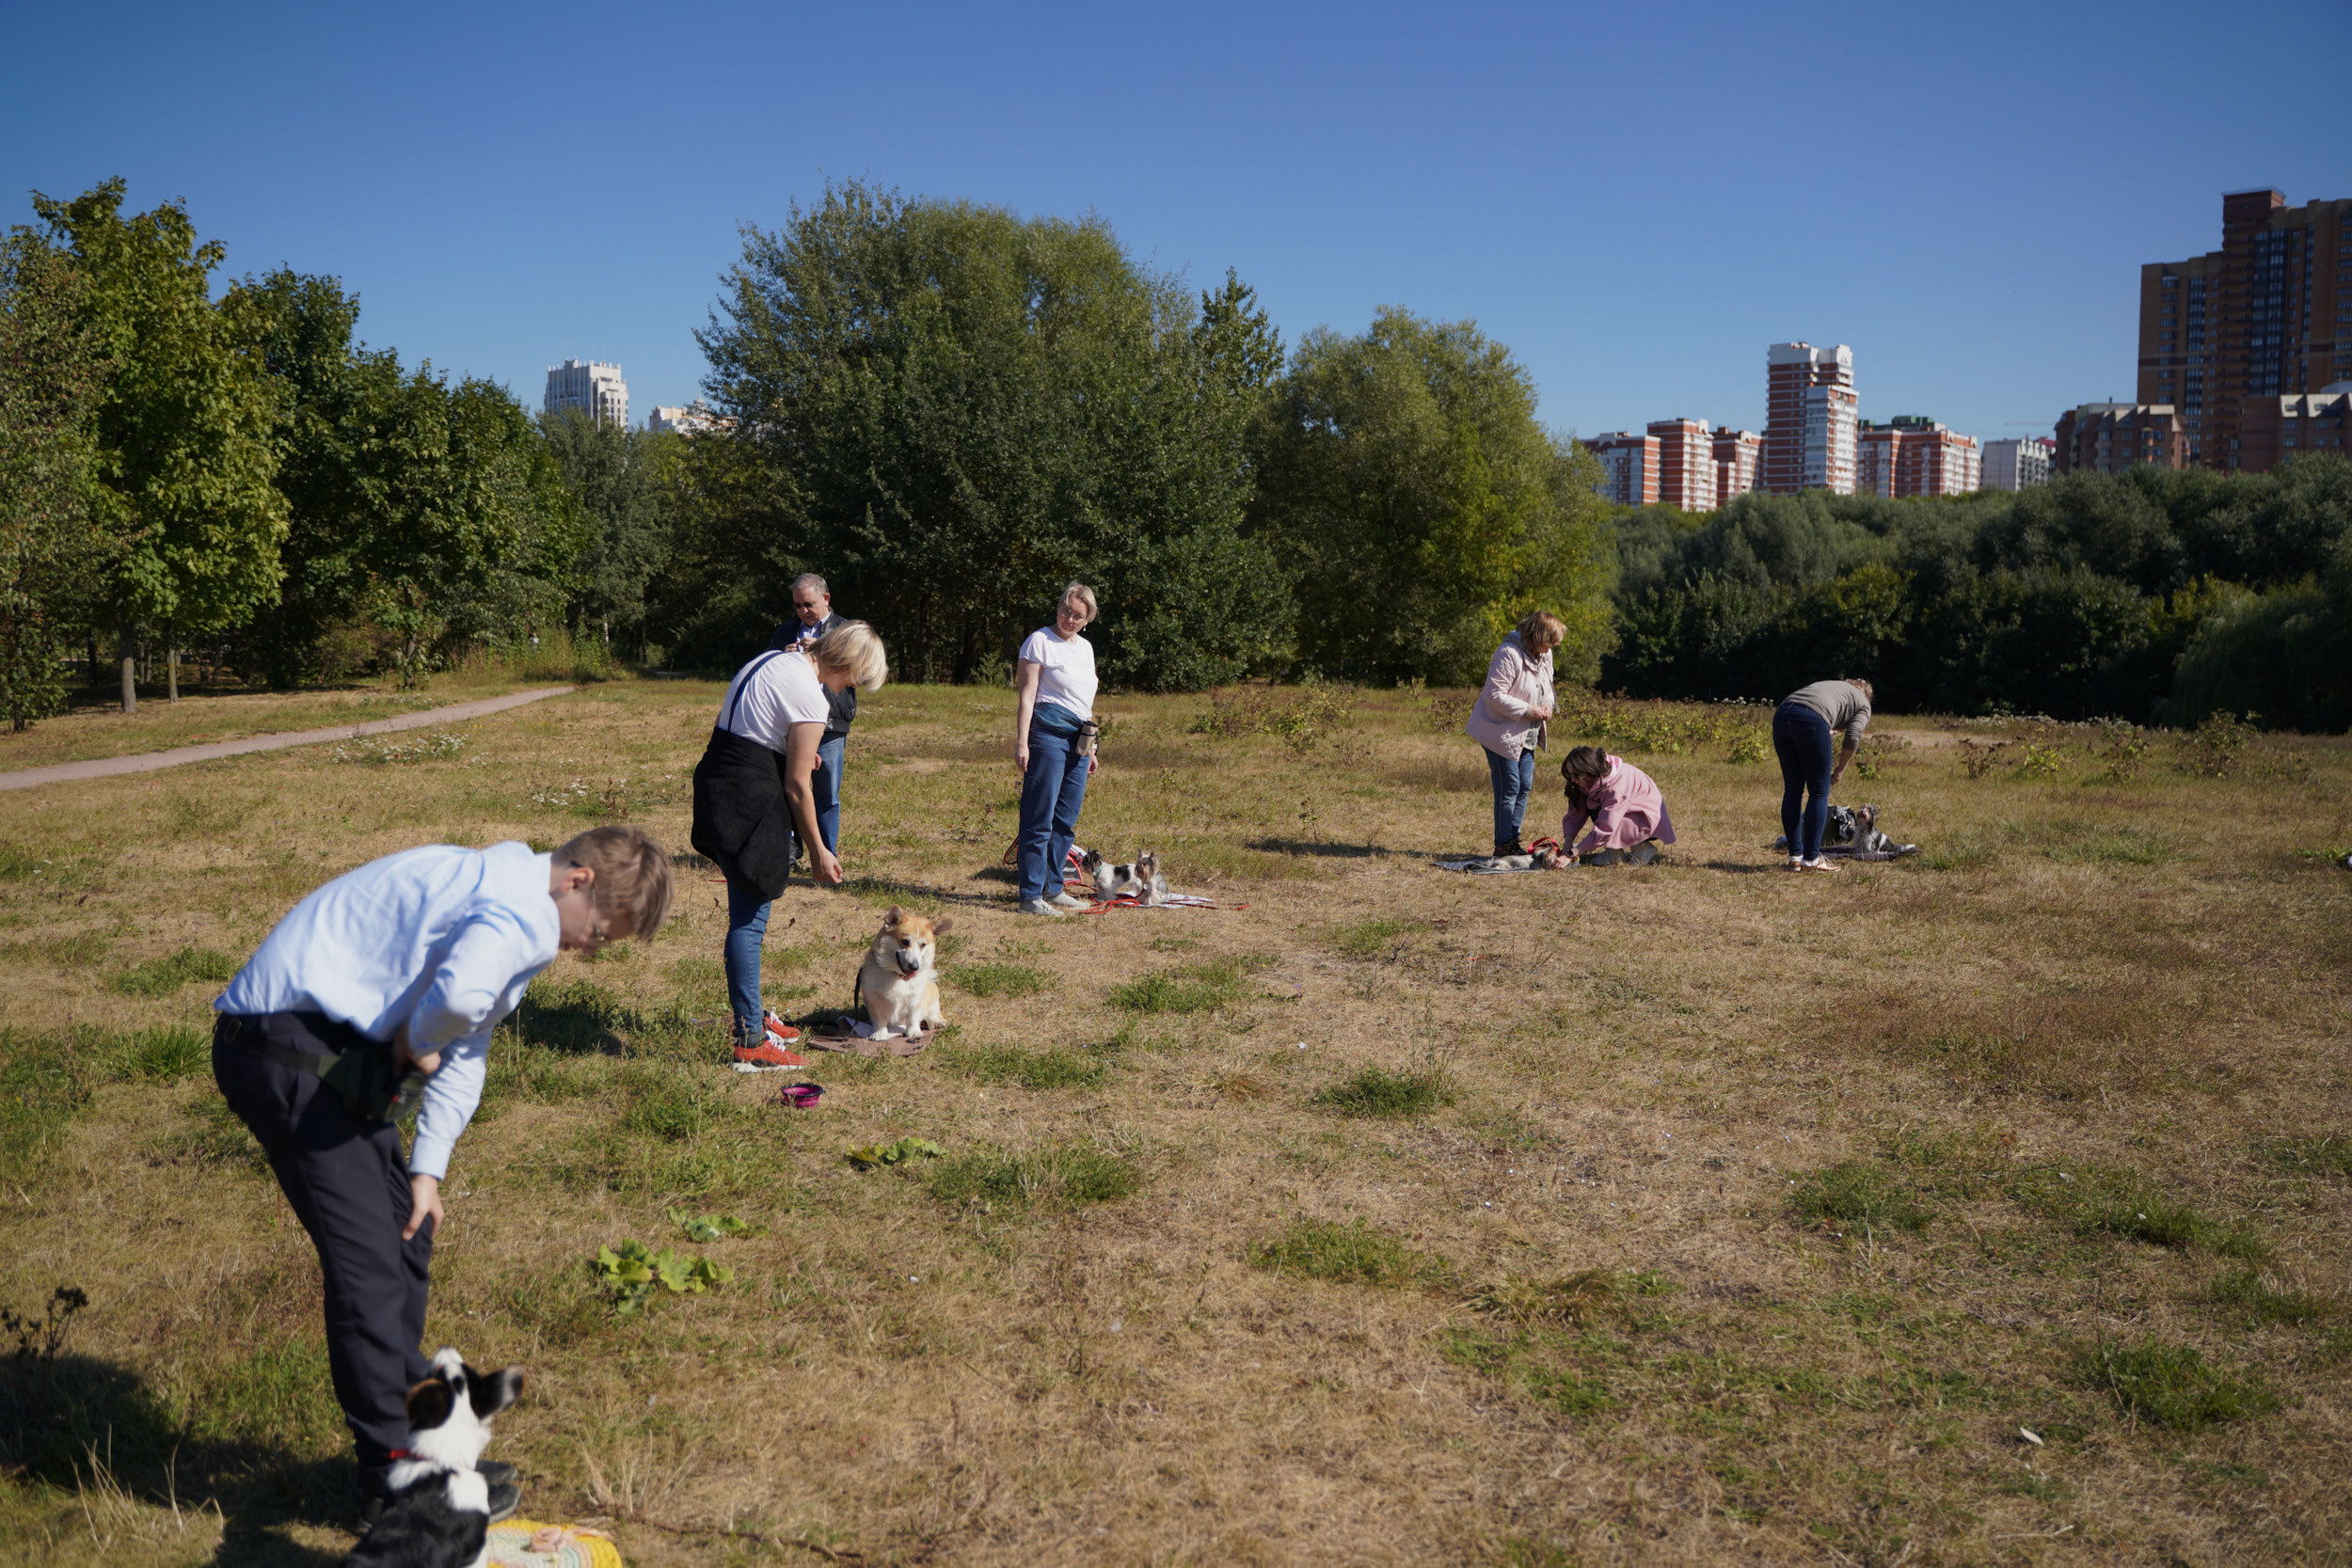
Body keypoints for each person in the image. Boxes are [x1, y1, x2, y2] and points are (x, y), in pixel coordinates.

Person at [211, 827, 674, 1530]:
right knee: (367, 1265)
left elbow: (467, 1045)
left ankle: (419, 1442)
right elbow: (455, 1004)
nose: (589, 949)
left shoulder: (512, 905)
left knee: (405, 1234)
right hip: (283, 1043)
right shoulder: (516, 910)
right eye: (600, 933)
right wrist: (410, 1043)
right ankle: (396, 1481)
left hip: (324, 1050)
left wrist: (427, 1169)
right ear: (577, 881)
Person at [693, 621, 888, 1060]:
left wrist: (789, 752)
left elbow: (753, 724)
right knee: (750, 919)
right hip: (747, 797)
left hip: (718, 777)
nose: (853, 685)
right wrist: (819, 850)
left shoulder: (774, 659)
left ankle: (753, 1012)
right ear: (849, 662)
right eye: (859, 676)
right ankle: (750, 1040)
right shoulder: (812, 697)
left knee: (749, 912)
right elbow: (799, 787)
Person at [1012, 583, 1101, 916]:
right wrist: (1022, 742)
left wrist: (1091, 748)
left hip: (1079, 740)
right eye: (1066, 610)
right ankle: (1030, 896)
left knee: (1065, 818)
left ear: (1088, 619)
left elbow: (1084, 703)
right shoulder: (1039, 642)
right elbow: (1027, 695)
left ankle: (1053, 887)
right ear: (1059, 607)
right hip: (1047, 735)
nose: (1070, 618)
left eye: (1078, 615)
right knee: (1040, 815)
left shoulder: (1086, 648)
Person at [765, 573, 856, 861]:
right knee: (789, 784)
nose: (803, 611)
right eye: (797, 605)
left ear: (825, 598)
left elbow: (861, 674)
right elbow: (766, 672)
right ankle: (789, 849)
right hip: (791, 723)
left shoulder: (847, 631)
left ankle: (827, 853)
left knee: (826, 793)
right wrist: (784, 656)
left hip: (831, 724)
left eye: (808, 603)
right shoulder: (784, 633)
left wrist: (824, 655)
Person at [1465, 611, 1564, 857]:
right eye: (1549, 641)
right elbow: (1493, 695)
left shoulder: (1544, 653)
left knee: (1524, 786)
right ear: (1537, 636)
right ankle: (1503, 845)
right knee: (1509, 786)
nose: (1552, 648)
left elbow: (1547, 686)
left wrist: (1548, 706)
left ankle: (1513, 842)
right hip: (1499, 732)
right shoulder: (1507, 653)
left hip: (1527, 732)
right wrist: (1529, 710)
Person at [1773, 676, 1874, 873]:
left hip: (1782, 714)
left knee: (1793, 790)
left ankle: (1795, 857)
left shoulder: (1833, 688)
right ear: (1867, 696)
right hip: (1811, 719)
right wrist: (1840, 770)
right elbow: (1853, 735)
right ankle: (1811, 859)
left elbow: (1818, 712)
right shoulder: (1863, 703)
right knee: (1819, 791)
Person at [1557, 745, 1676, 865]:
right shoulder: (1591, 780)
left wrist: (1572, 853)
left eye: (1576, 776)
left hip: (1644, 818)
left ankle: (1642, 848)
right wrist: (1567, 844)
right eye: (1569, 774)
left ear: (1589, 771)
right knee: (1594, 806)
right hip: (1623, 811)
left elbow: (1606, 826)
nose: (1572, 780)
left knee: (1607, 815)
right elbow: (1576, 813)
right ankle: (1614, 850)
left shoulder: (1617, 788)